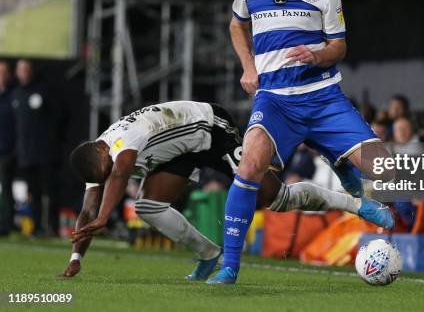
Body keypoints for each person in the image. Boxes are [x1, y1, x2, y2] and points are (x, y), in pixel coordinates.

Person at [207, 0, 396, 285]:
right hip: (276, 101)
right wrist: (248, 67)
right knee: (247, 171)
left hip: (323, 98)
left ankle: (332, 154)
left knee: (386, 171)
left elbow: (339, 46)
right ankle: (229, 267)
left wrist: (317, 55)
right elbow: (236, 24)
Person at [67, 101, 391, 279]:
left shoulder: (122, 144)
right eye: (103, 176)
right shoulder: (98, 162)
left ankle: (355, 203)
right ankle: (208, 255)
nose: (108, 177)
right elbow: (88, 209)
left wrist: (106, 216)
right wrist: (76, 256)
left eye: (106, 171)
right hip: (179, 151)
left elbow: (122, 171)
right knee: (147, 206)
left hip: (209, 127)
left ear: (101, 150)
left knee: (275, 198)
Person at [11, 59, 61, 235]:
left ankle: (53, 227)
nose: (24, 72)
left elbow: (59, 117)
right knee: (34, 194)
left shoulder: (44, 90)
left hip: (46, 154)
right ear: (17, 73)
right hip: (27, 155)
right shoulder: (16, 94)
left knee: (51, 192)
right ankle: (37, 227)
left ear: (31, 71)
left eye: (27, 69)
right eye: (21, 69)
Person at [0, 61, 16, 236]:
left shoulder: (13, 96)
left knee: (6, 189)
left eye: (4, 72)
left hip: (6, 151)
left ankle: (6, 224)